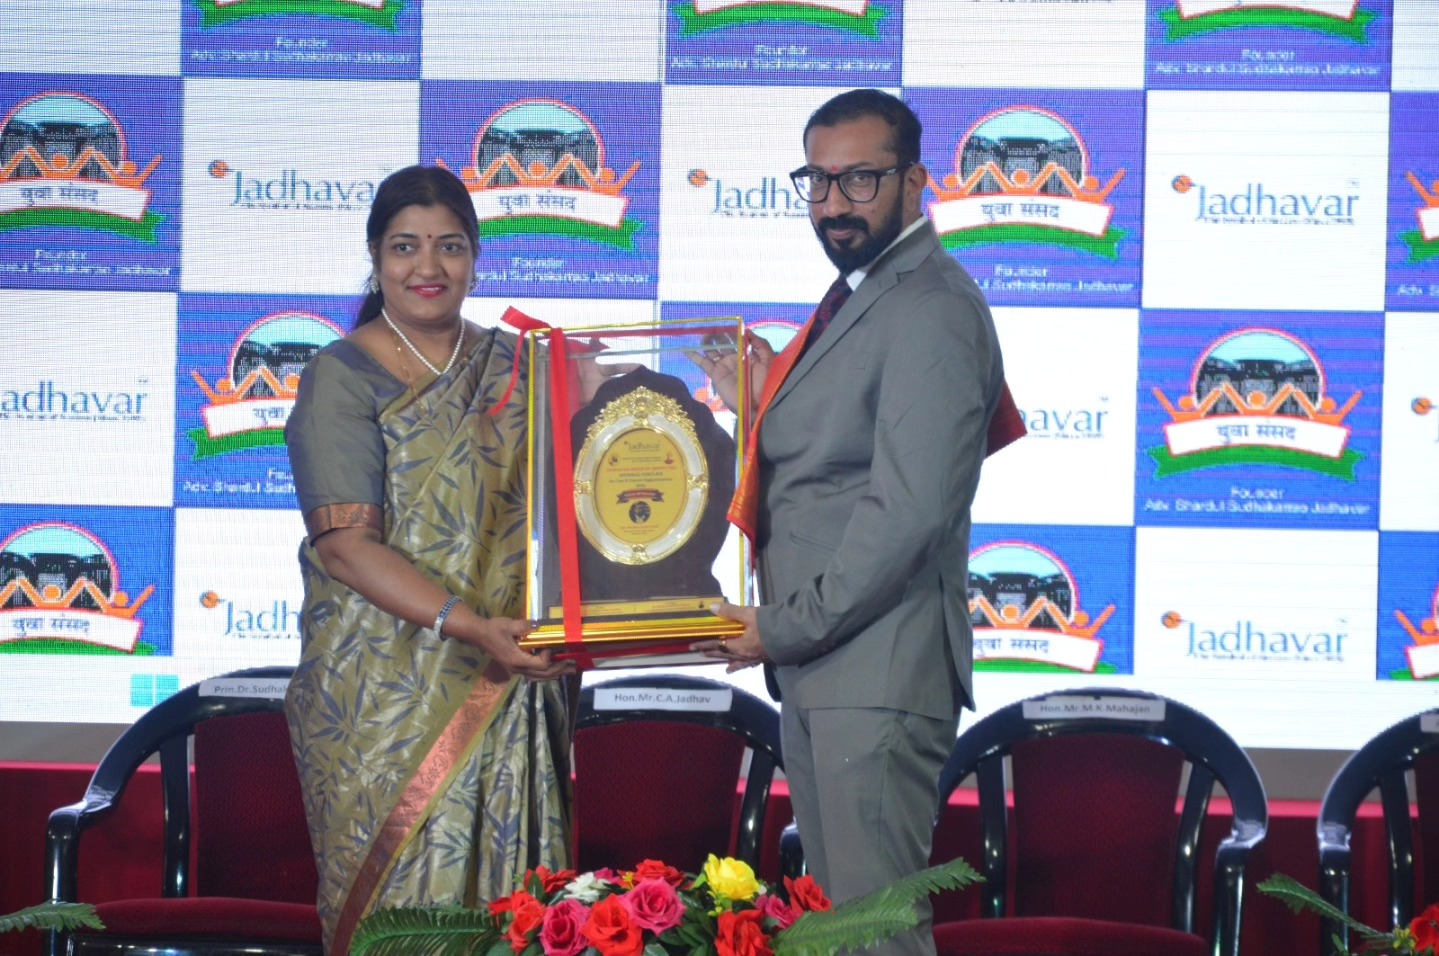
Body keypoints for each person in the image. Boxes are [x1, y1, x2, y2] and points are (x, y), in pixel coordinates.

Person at [691, 89, 1007, 956]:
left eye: (860, 179)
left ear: (914, 181)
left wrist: (781, 627)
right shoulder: (865, 294)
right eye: (818, 180)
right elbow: (841, 459)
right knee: (840, 936)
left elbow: (906, 511)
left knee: (875, 938)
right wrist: (765, 398)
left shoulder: (930, 306)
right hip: (833, 669)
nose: (834, 203)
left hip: (872, 670)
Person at [283, 165, 575, 955]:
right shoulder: (341, 375)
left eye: (449, 246)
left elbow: (583, 508)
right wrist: (471, 625)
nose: (428, 266)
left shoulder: (523, 367)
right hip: (379, 694)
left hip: (512, 672)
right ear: (375, 257)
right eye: (405, 246)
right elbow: (345, 548)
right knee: (400, 919)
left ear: (475, 258)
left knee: (511, 916)